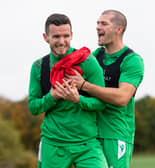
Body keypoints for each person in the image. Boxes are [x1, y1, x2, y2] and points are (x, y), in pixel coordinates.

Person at [65, 10, 144, 168]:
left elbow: (122, 98)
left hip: (115, 134)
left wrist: (84, 85)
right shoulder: (96, 56)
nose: (97, 27)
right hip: (90, 133)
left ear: (119, 29)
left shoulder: (132, 60)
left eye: (103, 24)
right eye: (97, 23)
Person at [28, 13, 108, 168]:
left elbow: (102, 103)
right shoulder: (39, 67)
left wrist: (78, 100)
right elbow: (33, 107)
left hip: (87, 144)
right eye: (56, 36)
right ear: (46, 37)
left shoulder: (88, 61)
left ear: (71, 35)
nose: (62, 41)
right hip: (53, 143)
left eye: (66, 36)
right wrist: (52, 96)